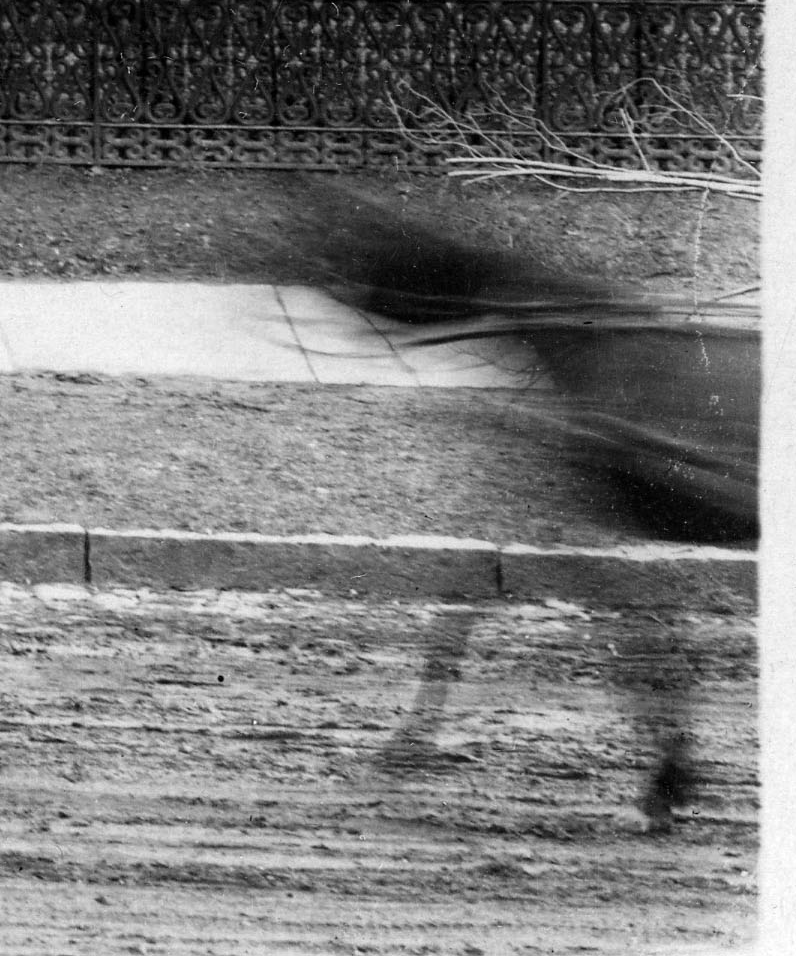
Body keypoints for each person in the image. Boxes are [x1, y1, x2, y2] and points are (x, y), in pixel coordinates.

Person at [300, 184, 753, 831]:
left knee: (622, 606)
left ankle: (671, 756)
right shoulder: (582, 363)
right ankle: (669, 756)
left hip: (658, 473)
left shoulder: (596, 390)